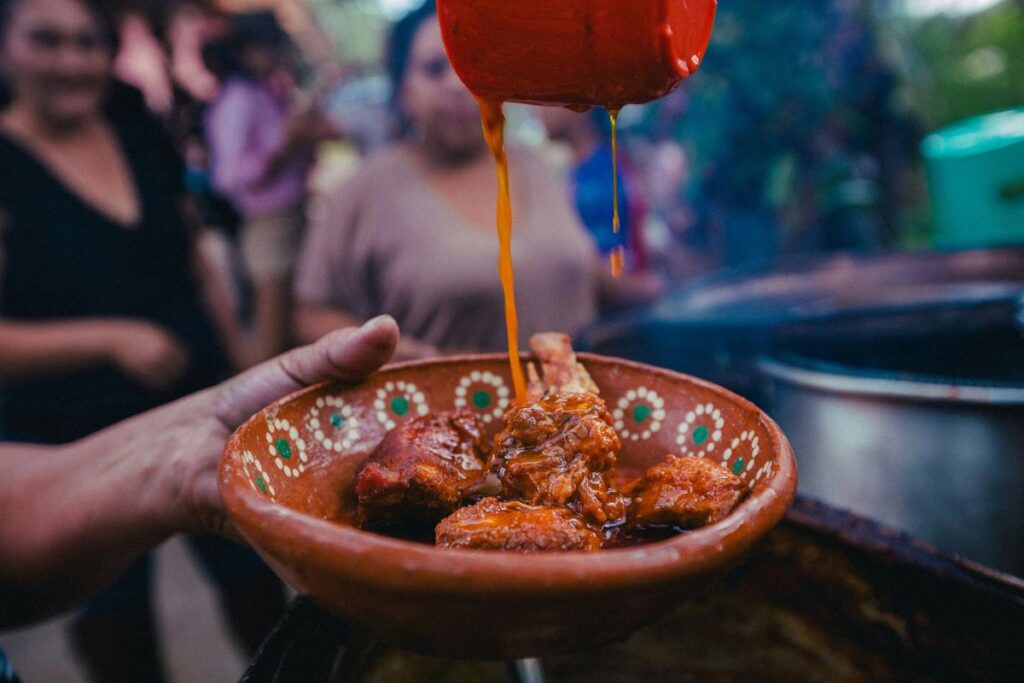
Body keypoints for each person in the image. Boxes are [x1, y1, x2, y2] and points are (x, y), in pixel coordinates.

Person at [0, 0, 268, 678]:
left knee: (257, 587)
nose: (71, 61)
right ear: (5, 49)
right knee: (118, 631)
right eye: (46, 41)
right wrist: (108, 338)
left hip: (199, 399)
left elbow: (195, 257)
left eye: (88, 42)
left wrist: (239, 359)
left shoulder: (136, 126)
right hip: (70, 440)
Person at [0, 318, 400, 681]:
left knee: (253, 586)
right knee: (118, 620)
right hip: (65, 414)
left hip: (191, 394)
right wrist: (110, 339)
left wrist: (190, 444)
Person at [294, 0, 598, 359]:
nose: (458, 84)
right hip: (449, 409)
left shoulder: (531, 162)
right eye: (435, 69)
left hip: (575, 400)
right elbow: (310, 316)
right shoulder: (365, 190)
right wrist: (404, 355)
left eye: (473, 63)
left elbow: (556, 263)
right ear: (402, 89)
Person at [204, 12, 334, 365]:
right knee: (269, 339)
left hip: (291, 219)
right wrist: (284, 144)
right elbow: (228, 176)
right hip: (268, 225)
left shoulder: (266, 93)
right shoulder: (237, 99)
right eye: (269, 47)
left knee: (291, 332)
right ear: (246, 50)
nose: (277, 55)